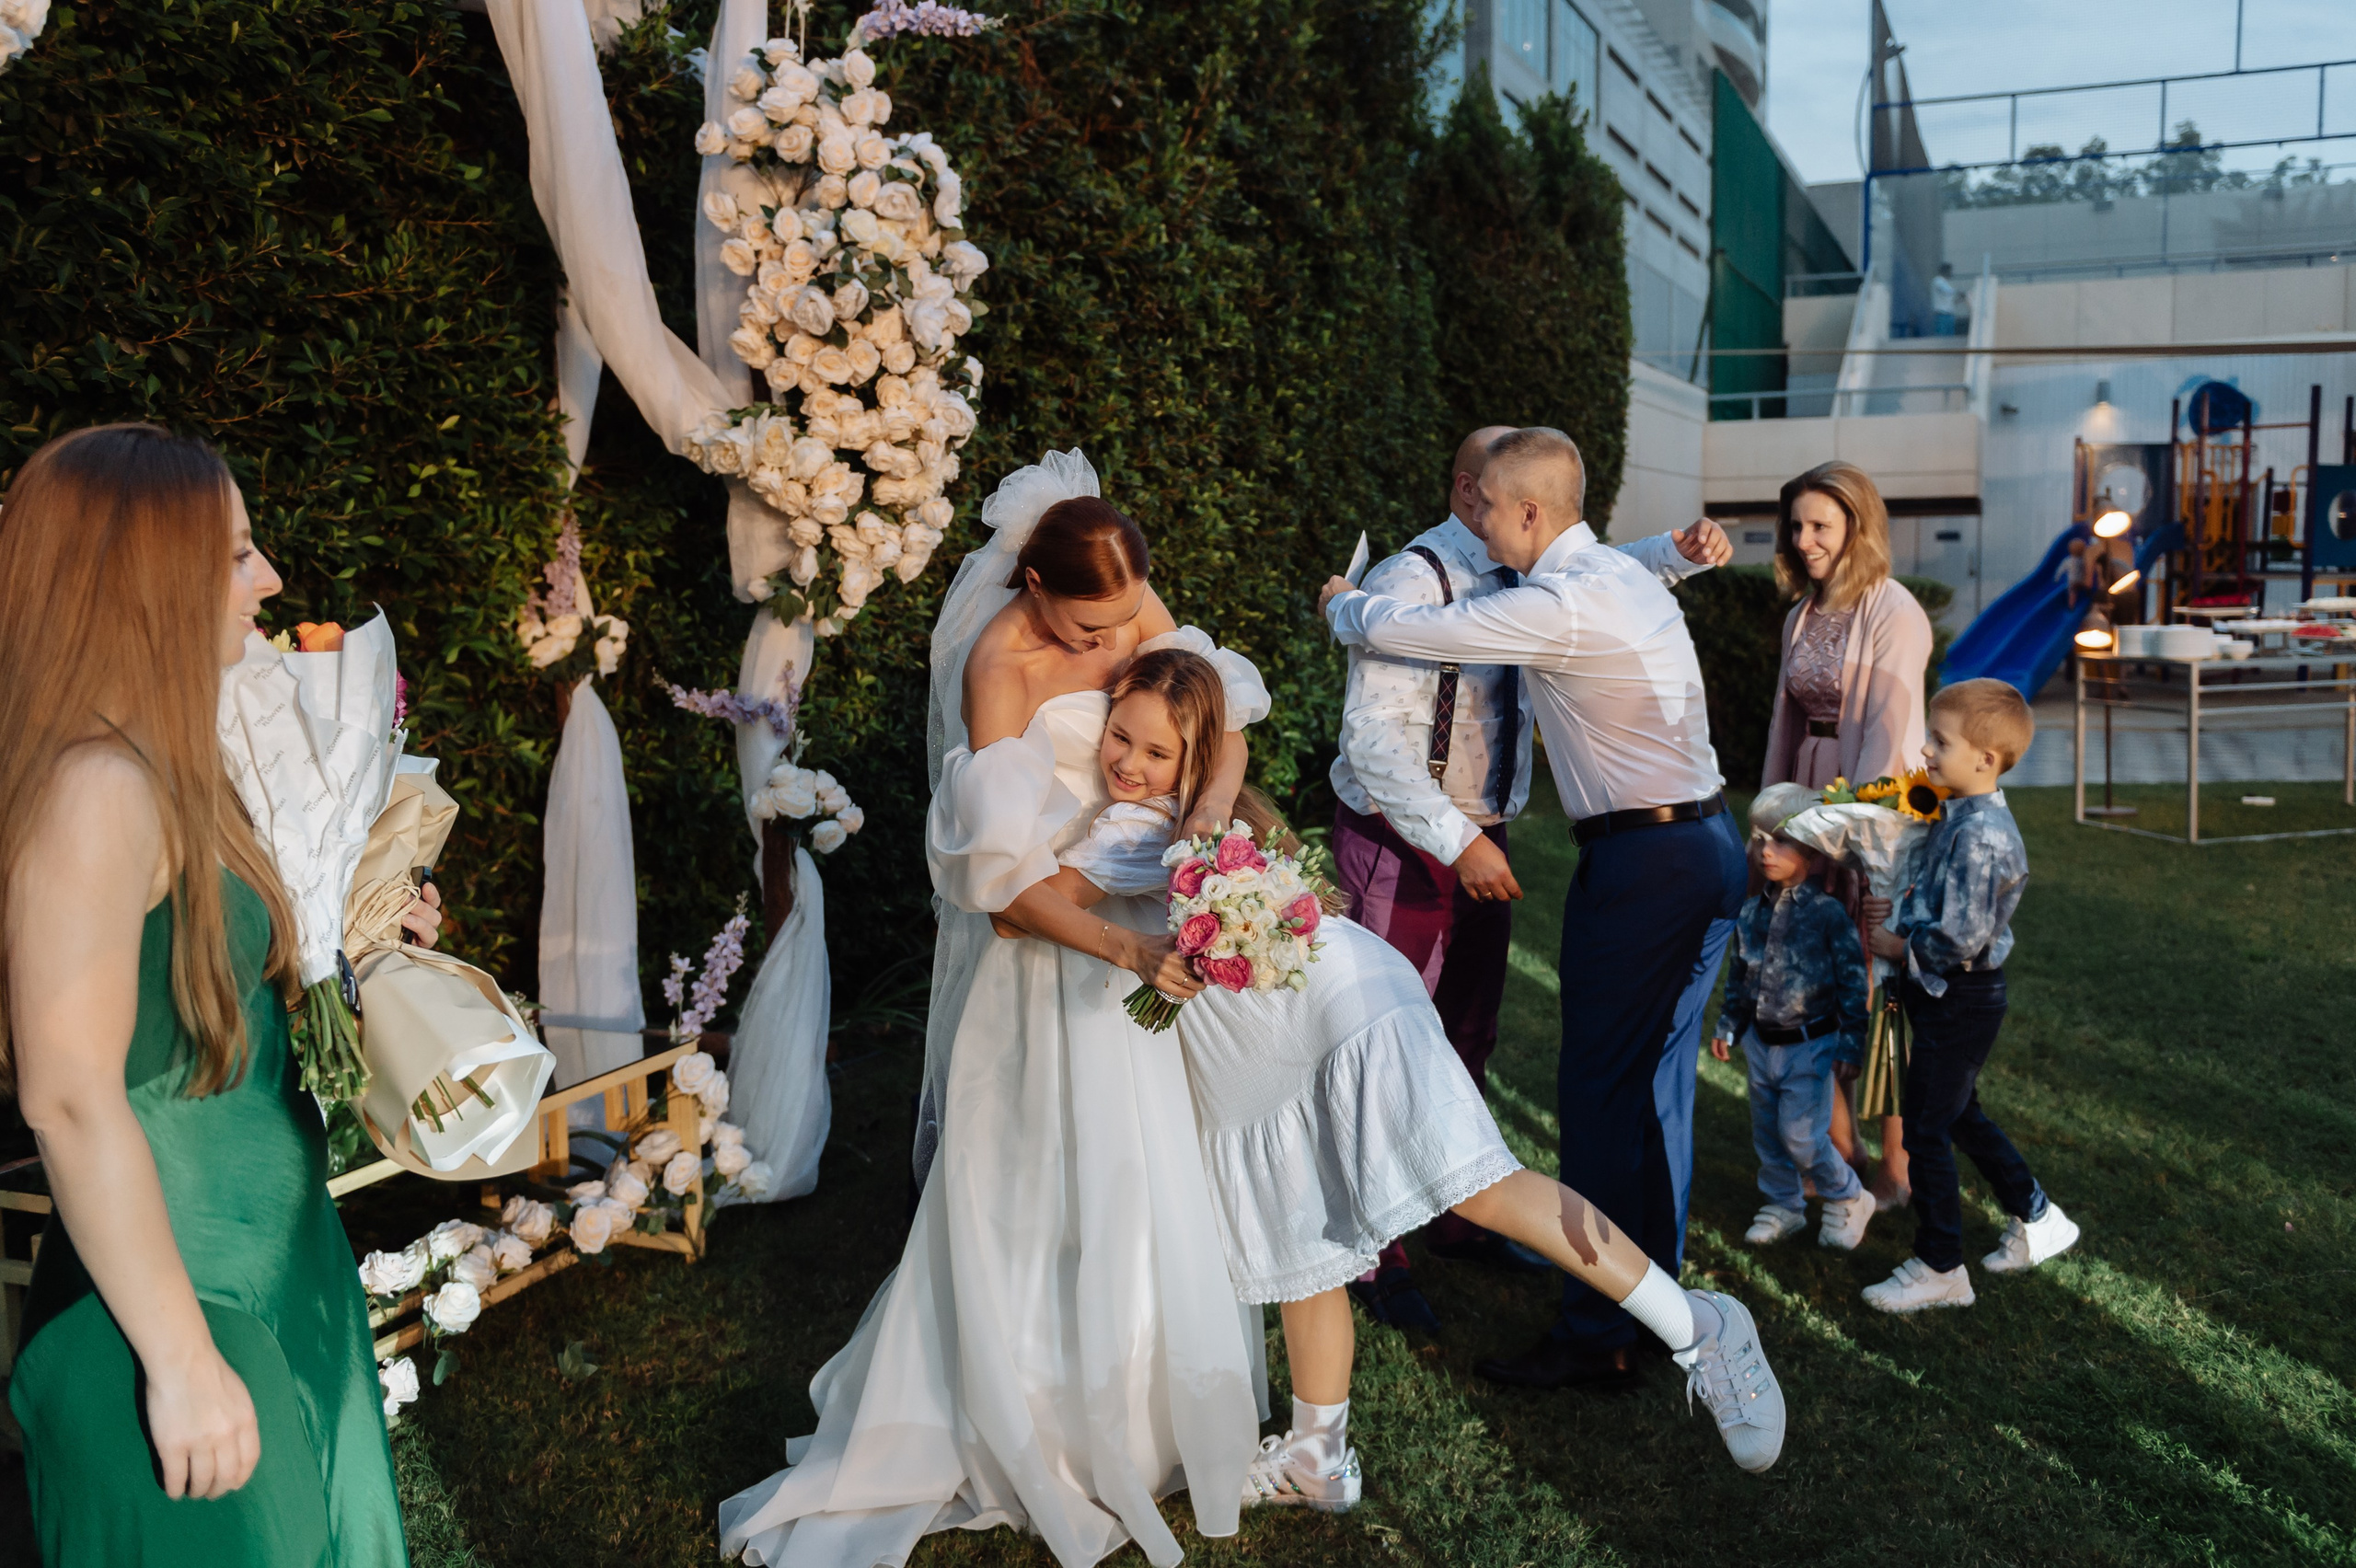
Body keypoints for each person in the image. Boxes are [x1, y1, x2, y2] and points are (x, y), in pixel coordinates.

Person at [1041, 649, 1786, 1504]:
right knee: (1304, 1246)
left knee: (1477, 1186)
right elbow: (1227, 737)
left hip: (1337, 1015)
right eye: (1119, 739)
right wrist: (1203, 800)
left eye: (1156, 753)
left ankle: (1699, 1326)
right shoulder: (1200, 805)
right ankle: (1319, 1458)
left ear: (1192, 757)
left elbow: (1025, 907)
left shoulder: (1133, 828)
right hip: (1268, 1051)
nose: (1129, 764)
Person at [717, 453, 1270, 1568]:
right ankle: (1026, 1417)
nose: (1113, 647)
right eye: (1087, 626)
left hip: (1146, 922)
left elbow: (1217, 719)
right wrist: (1128, 945)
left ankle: (1135, 1413)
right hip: (1056, 956)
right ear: (1029, 585)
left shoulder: (1125, 606)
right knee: (1026, 1188)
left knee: (1140, 1172)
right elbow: (1004, 885)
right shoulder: (999, 666)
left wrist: (1204, 833)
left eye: (1124, 621)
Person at [1, 425, 408, 1566]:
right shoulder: (95, 787)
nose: (269, 580)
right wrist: (179, 1362)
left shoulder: (167, 761)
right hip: (172, 1299)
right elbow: (70, 1096)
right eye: (234, 555)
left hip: (271, 1268)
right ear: (142, 574)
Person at [1319, 426, 1750, 1394]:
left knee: (1599, 1103)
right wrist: (1673, 553)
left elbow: (1410, 634)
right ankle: (1653, 1303)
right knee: (1655, 1096)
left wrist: (1345, 605)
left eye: (1497, 503)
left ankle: (1598, 1327)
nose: (1481, 516)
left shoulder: (1553, 602)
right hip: (1709, 849)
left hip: (1644, 866)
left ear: (1523, 511)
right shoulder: (1618, 578)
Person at [1860, 679, 2080, 1313]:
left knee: (1926, 1128)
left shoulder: (1983, 836)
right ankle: (2038, 1217)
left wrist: (1897, 947)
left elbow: (1962, 934)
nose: (1926, 750)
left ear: (1985, 758)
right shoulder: (1955, 814)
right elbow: (1934, 898)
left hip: (1961, 995)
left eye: (1940, 740)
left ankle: (1940, 1266)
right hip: (1948, 994)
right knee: (1958, 1115)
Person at [1759, 460, 1934, 1209]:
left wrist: (1842, 833)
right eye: (1795, 526)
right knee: (1808, 975)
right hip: (1807, 795)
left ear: (1857, 527)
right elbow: (1783, 724)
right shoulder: (1800, 613)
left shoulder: (1893, 610)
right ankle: (1837, 1147)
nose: (1803, 540)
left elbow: (1891, 739)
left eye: (1819, 526)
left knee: (1880, 986)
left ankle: (1898, 1161)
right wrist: (1773, 824)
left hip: (1875, 810)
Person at [1711, 784, 1874, 1251]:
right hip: (1762, 1043)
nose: (1765, 851)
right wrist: (1728, 1025)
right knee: (1768, 1134)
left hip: (1811, 1046)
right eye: (1759, 839)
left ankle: (1847, 1195)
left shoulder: (1827, 915)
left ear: (1812, 848)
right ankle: (1784, 1205)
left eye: (1780, 841)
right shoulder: (1750, 914)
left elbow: (1850, 984)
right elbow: (1742, 976)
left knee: (1801, 1136)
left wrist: (1850, 1047)